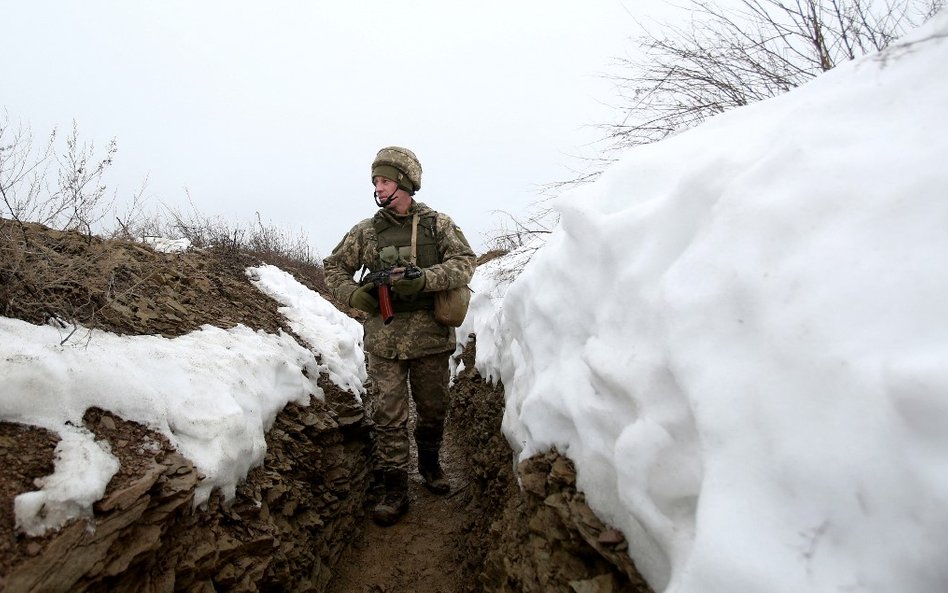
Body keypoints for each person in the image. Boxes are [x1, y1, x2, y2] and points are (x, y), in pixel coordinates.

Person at [323, 146, 476, 526]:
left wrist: (424, 280)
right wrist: (353, 294)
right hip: (385, 341)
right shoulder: (365, 231)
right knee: (388, 416)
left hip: (431, 339)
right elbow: (333, 267)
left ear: (405, 183)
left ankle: (430, 465)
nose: (379, 186)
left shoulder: (438, 225)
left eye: (386, 179)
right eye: (375, 180)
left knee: (433, 408)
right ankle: (394, 488)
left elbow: (464, 263)